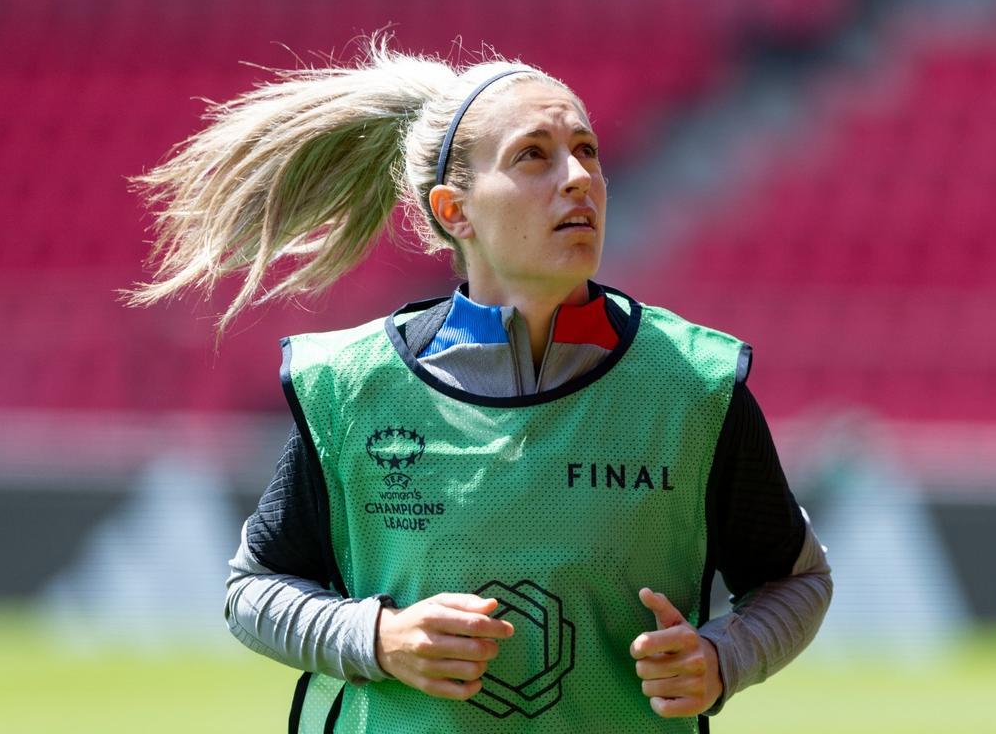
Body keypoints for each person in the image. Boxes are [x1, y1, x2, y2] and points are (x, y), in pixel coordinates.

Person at [127, 40, 832, 734]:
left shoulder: (693, 386)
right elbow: (255, 592)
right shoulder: (351, 389)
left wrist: (721, 658)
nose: (579, 177)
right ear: (454, 210)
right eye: (534, 155)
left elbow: (796, 581)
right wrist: (378, 639)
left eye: (587, 151)